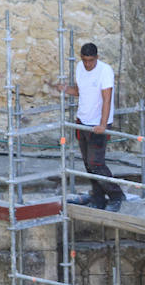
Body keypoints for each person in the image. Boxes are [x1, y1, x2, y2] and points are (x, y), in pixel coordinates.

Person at [54, 43, 125, 212]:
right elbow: (80, 91)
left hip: (97, 124)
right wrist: (65, 89)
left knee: (96, 163)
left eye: (91, 61)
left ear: (97, 58)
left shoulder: (104, 71)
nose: (87, 64)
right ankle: (98, 197)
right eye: (85, 60)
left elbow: (107, 99)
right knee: (88, 164)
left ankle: (116, 195)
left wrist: (102, 124)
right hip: (82, 121)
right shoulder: (80, 68)